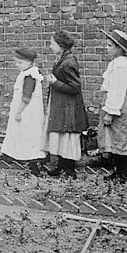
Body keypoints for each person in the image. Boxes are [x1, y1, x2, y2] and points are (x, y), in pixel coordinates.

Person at [43, 30, 89, 179]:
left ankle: (69, 171)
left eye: (52, 43)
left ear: (61, 45)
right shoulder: (62, 59)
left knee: (67, 137)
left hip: (68, 108)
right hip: (62, 105)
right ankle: (61, 167)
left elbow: (75, 87)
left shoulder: (69, 62)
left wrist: (55, 83)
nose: (50, 46)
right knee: (62, 137)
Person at [96, 30, 127, 184]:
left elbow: (118, 91)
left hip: (119, 104)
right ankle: (118, 171)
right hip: (115, 102)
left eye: (109, 45)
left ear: (119, 48)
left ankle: (124, 174)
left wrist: (110, 112)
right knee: (115, 137)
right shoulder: (116, 63)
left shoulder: (121, 66)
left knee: (121, 137)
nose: (107, 48)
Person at [0, 48, 46, 176]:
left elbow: (26, 97)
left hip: (27, 112)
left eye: (20, 62)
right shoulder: (26, 72)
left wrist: (19, 112)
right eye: (16, 62)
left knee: (28, 136)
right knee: (19, 134)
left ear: (28, 62)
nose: (17, 65)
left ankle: (33, 164)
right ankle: (12, 156)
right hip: (26, 110)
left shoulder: (30, 76)